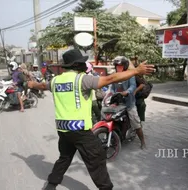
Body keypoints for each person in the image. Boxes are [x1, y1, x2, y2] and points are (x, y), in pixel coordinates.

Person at [27, 49, 154, 190]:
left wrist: (32, 85)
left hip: (63, 130)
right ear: (77, 65)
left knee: (65, 157)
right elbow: (110, 79)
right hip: (79, 130)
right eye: (82, 62)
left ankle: (51, 184)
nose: (84, 65)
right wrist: (136, 71)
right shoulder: (82, 79)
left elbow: (43, 86)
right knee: (97, 157)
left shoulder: (56, 80)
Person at [110, 56, 146, 149]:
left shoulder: (130, 75)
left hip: (129, 103)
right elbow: (112, 88)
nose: (118, 68)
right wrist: (112, 94)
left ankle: (143, 142)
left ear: (125, 66)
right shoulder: (114, 75)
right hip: (118, 102)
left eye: (120, 66)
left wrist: (127, 92)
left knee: (135, 122)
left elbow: (133, 86)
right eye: (117, 66)